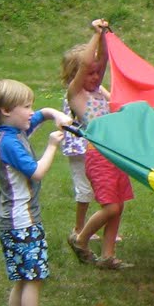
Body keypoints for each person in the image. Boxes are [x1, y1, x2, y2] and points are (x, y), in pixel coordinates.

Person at [0, 79, 72, 306]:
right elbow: (37, 171)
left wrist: (56, 115)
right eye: (26, 106)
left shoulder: (14, 130)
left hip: (15, 221)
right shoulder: (10, 143)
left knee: (23, 277)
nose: (31, 112)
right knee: (33, 277)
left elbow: (42, 115)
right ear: (7, 110)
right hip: (22, 222)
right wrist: (53, 145)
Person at [65, 18, 134, 270]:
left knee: (119, 206)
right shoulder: (76, 95)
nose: (95, 76)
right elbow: (86, 62)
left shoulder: (96, 91)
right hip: (98, 157)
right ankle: (80, 239)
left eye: (97, 72)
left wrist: (106, 36)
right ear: (76, 76)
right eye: (89, 73)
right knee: (111, 206)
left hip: (115, 154)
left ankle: (107, 256)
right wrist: (94, 35)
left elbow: (102, 59)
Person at [59, 44, 94, 249]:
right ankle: (79, 229)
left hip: (92, 147)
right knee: (84, 190)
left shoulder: (92, 90)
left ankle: (89, 228)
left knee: (97, 188)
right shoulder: (75, 92)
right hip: (80, 147)